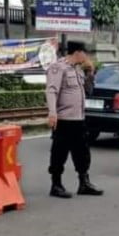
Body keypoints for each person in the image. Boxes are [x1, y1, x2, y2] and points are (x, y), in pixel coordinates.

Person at [45, 41, 103, 199]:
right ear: (77, 52)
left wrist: (91, 73)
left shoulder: (78, 69)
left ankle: (84, 183)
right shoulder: (58, 68)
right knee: (59, 153)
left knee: (82, 152)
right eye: (85, 52)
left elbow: (88, 91)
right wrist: (52, 113)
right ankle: (56, 185)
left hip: (78, 119)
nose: (87, 56)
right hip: (64, 120)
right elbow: (51, 91)